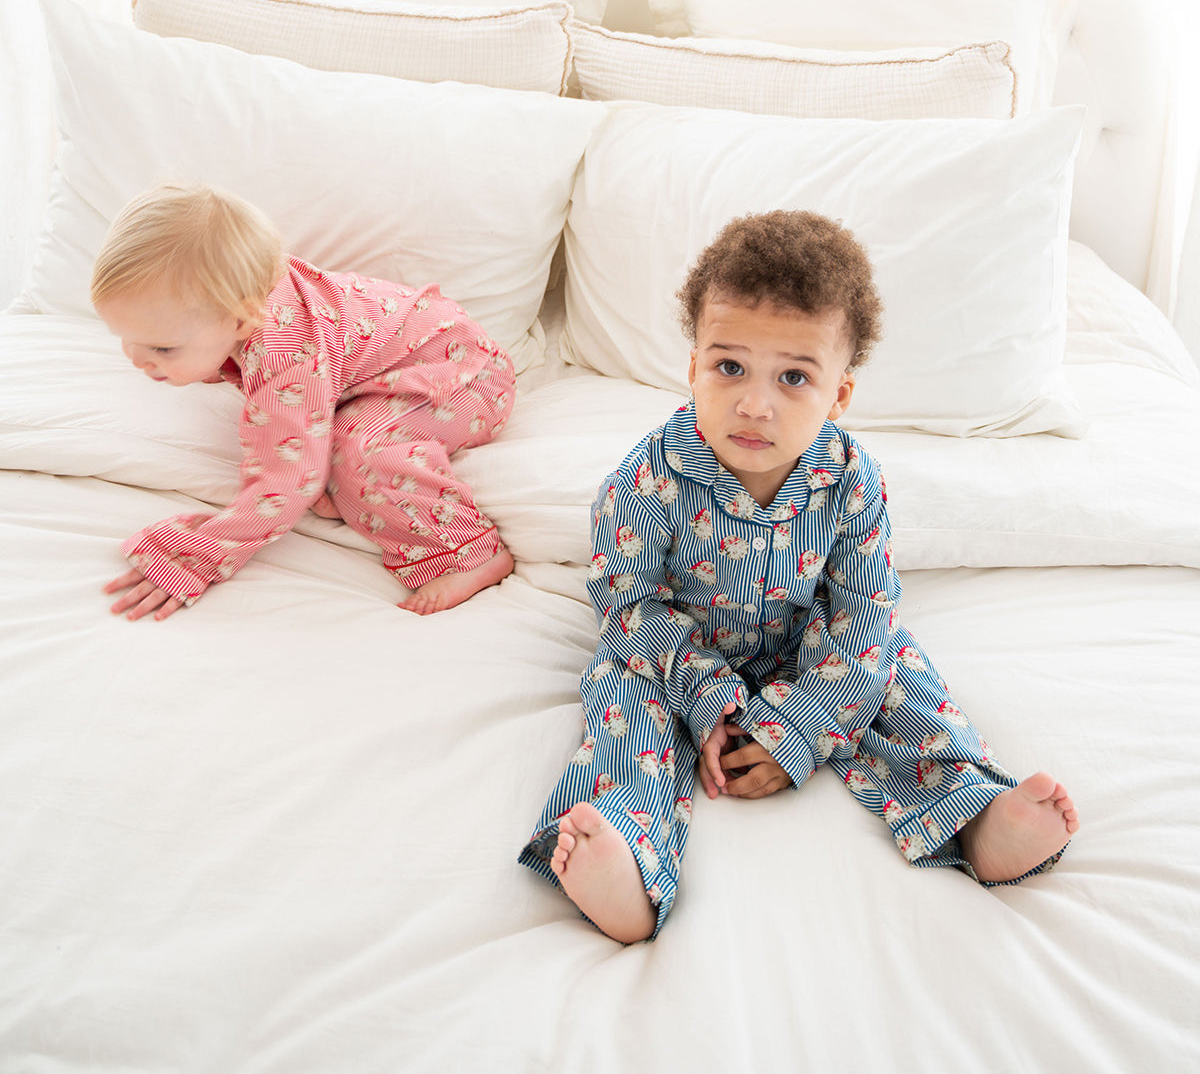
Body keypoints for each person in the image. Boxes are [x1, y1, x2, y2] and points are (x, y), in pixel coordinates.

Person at [519, 210, 1079, 942]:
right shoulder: (648, 480)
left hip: (810, 650)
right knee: (624, 705)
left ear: (839, 395)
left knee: (897, 672)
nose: (755, 403)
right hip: (677, 655)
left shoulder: (852, 481)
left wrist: (799, 731)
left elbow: (863, 616)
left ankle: (973, 813)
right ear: (692, 368)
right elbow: (629, 606)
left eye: (793, 377)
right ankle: (626, 851)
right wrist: (710, 701)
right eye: (729, 367)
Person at [91, 183, 515, 620]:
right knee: (324, 445)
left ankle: (469, 553)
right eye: (125, 337)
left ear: (241, 320)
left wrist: (197, 557)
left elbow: (286, 479)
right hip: (412, 354)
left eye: (162, 348)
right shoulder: (247, 289)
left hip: (464, 377)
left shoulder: (285, 353)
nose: (136, 358)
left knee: (362, 454)